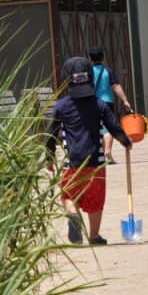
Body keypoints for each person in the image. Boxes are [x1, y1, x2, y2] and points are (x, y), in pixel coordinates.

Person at [45, 56, 132, 246]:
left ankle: (74, 217)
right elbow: (114, 126)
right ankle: (94, 236)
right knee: (95, 200)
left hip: (72, 163)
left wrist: (49, 158)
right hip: (96, 162)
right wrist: (125, 142)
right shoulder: (99, 104)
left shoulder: (61, 106)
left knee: (69, 196)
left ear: (66, 79)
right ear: (90, 77)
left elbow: (51, 133)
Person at [88, 46, 133, 165]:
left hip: (93, 102)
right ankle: (107, 152)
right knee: (107, 128)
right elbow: (116, 86)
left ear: (90, 59)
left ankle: (102, 155)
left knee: (97, 129)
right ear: (103, 58)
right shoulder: (107, 71)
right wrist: (125, 100)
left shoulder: (89, 72)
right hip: (107, 102)